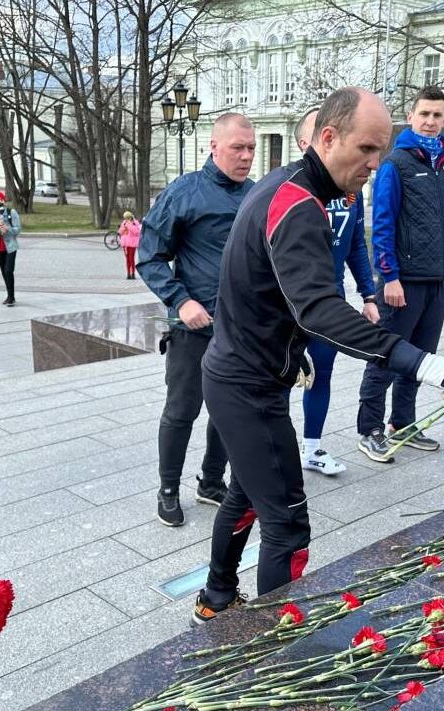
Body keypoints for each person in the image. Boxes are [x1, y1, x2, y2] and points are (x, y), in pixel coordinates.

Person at [193, 88, 444, 623]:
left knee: (246, 494)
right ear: (328, 138)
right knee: (289, 525)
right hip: (248, 387)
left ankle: (215, 600)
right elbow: (320, 310)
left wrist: (289, 350)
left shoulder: (284, 185)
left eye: (381, 151)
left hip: (240, 372)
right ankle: (275, 653)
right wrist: (426, 363)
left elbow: (265, 290)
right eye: (367, 149)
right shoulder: (298, 203)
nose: (375, 165)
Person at [137, 113, 256, 527]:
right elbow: (148, 256)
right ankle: (168, 489)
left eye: (251, 148)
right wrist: (180, 300)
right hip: (194, 328)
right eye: (237, 147)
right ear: (213, 146)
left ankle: (211, 481)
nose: (245, 156)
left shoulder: (257, 195)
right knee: (182, 410)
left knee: (229, 410)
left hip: (241, 330)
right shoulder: (185, 192)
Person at [356, 86, 444, 463]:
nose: (431, 122)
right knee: (387, 355)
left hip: (436, 279)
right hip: (403, 283)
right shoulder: (395, 164)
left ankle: (402, 423)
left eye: (438, 115)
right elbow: (381, 224)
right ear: (412, 116)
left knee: (422, 358)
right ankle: (369, 428)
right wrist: (390, 277)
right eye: (425, 115)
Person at [292, 107, 380, 476]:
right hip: (289, 305)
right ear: (307, 143)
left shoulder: (350, 191)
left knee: (321, 374)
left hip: (330, 302)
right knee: (280, 378)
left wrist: (369, 295)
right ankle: (271, 451)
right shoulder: (289, 189)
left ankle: (312, 448)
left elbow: (356, 245)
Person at [117, 210, 141, 280]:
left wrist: (129, 226)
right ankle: (128, 274)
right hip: (125, 243)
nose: (126, 219)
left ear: (130, 217)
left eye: (127, 218)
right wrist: (123, 228)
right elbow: (120, 232)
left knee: (131, 259)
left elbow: (136, 232)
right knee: (127, 259)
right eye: (125, 218)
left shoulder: (135, 223)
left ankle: (133, 273)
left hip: (132, 243)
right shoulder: (124, 222)